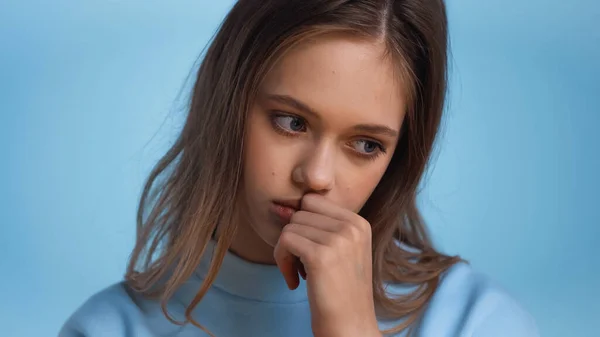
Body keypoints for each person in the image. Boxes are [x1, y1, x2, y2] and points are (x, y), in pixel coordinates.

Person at [59, 1, 539, 336]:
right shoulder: (106, 329)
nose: (317, 176)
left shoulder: (476, 323)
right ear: (227, 101)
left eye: (366, 144)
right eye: (291, 122)